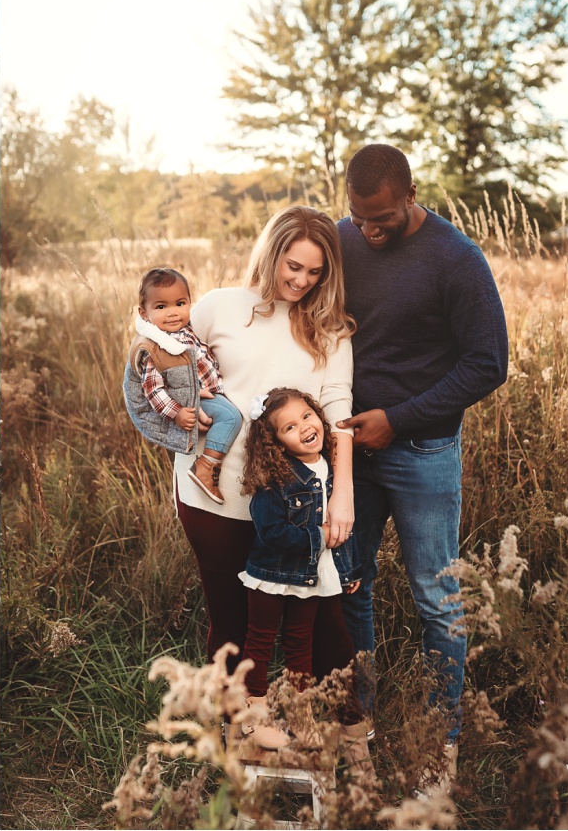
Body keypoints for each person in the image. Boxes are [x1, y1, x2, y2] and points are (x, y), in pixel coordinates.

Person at [335, 144, 508, 762]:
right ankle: (357, 724)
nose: (367, 230)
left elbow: (489, 364)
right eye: (358, 216)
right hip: (348, 449)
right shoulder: (342, 238)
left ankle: (442, 742)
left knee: (436, 597)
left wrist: (399, 420)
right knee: (347, 584)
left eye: (379, 217)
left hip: (424, 450)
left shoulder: (457, 258)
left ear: (410, 195)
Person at [168, 206, 364, 746]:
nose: (301, 280)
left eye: (315, 272)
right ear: (271, 254)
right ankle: (244, 730)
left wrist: (341, 496)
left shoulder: (329, 330)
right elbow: (161, 368)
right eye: (292, 266)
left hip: (296, 504)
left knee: (323, 616)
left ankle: (346, 729)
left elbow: (339, 416)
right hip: (213, 490)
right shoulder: (219, 308)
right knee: (230, 615)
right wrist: (183, 415)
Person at [233, 387, 361, 757]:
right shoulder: (276, 480)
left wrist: (346, 569)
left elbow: (342, 525)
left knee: (299, 645)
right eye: (289, 427)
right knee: (259, 640)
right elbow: (271, 533)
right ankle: (253, 713)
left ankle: (299, 713)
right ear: (277, 444)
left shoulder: (333, 469)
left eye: (306, 416)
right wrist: (316, 536)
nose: (304, 427)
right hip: (271, 576)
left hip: (312, 577)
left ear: (318, 416)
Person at [124, 267, 244, 502]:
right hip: (188, 403)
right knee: (231, 418)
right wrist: (177, 412)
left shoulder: (183, 331)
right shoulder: (155, 346)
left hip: (200, 393)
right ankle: (206, 467)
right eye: (161, 307)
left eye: (180, 304)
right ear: (144, 312)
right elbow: (154, 389)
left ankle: (207, 464)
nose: (172, 313)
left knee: (230, 414)